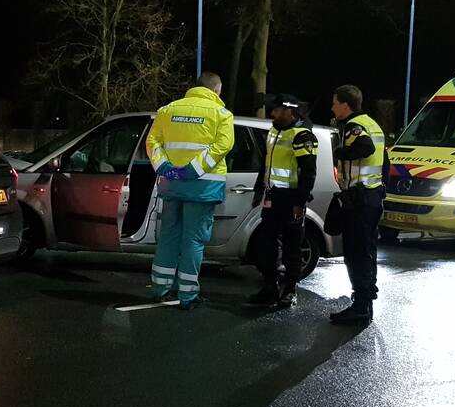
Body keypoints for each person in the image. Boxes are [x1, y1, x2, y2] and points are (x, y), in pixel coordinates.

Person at [146, 72, 235, 310]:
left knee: (169, 236)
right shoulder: (221, 114)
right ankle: (188, 295)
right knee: (194, 240)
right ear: (216, 90)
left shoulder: (167, 110)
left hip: (172, 184)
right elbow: (223, 146)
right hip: (203, 186)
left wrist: (164, 166)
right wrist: (193, 169)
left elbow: (152, 141)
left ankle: (160, 288)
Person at [246, 93, 318, 309]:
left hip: (291, 200)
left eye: (276, 110)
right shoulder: (274, 132)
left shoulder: (302, 136)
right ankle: (269, 288)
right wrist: (259, 190)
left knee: (292, 247)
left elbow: (308, 173)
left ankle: (289, 290)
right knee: (266, 244)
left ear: (289, 111)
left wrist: (299, 202)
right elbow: (265, 164)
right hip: (272, 197)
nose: (272, 113)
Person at [328, 84, 387, 325]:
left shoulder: (355, 126)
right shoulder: (374, 125)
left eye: (334, 102)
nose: (332, 107)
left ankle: (361, 306)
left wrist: (339, 152)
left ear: (345, 104)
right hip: (372, 197)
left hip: (360, 199)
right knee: (366, 251)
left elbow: (366, 148)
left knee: (355, 253)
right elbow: (385, 162)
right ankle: (365, 301)